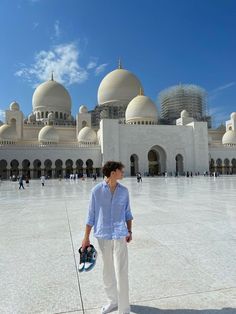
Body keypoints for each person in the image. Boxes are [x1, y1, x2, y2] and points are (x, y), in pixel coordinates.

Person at [82, 161, 133, 314]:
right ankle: (112, 301)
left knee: (122, 271)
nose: (123, 173)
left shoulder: (124, 191)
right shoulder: (96, 191)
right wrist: (86, 238)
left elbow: (128, 213)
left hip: (120, 234)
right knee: (108, 270)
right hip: (103, 235)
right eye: (121, 171)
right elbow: (91, 216)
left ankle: (124, 309)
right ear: (112, 173)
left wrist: (130, 231)